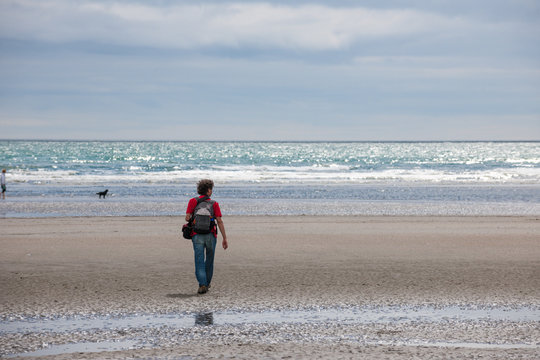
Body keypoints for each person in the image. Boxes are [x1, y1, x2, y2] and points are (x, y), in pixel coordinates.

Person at [185, 179, 228, 294]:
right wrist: (224, 238)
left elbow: (187, 218)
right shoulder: (214, 203)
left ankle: (202, 284)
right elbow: (219, 221)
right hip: (211, 234)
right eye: (211, 189)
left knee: (199, 260)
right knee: (209, 260)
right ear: (209, 190)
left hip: (197, 235)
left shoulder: (192, 201)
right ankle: (207, 284)